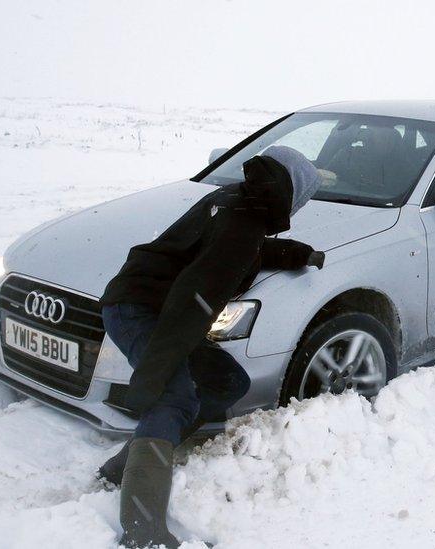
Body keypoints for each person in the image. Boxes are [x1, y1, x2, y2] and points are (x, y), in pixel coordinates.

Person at [99, 145, 325, 548]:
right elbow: (192, 300)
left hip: (153, 304)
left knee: (225, 380)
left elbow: (243, 249)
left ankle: (125, 466)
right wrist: (155, 373)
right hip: (140, 308)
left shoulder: (239, 202)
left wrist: (297, 254)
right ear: (293, 195)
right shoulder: (241, 224)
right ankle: (141, 532)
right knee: (174, 396)